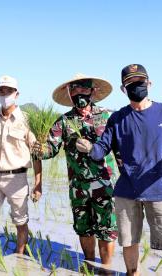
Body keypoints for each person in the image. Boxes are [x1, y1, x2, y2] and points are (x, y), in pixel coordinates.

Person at [76, 64, 162, 276]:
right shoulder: (118, 118)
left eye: (140, 82)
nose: (136, 86)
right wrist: (90, 148)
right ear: (123, 89)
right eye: (130, 83)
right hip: (127, 191)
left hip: (160, 191)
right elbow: (101, 150)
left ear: (149, 83)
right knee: (129, 242)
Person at [33, 74, 118, 267]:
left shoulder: (107, 116)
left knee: (107, 229)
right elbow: (50, 149)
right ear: (70, 93)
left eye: (84, 88)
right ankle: (88, 265)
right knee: (84, 229)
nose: (79, 92)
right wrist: (40, 149)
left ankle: (105, 268)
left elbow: (120, 148)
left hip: (106, 186)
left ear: (92, 91)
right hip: (78, 187)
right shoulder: (63, 122)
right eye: (75, 89)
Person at [0, 75, 42, 254]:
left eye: (9, 91)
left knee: (21, 222)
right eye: (1, 91)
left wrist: (38, 184)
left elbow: (36, 155)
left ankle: (19, 258)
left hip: (17, 178)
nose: (5, 94)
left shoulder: (27, 120)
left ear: (16, 94)